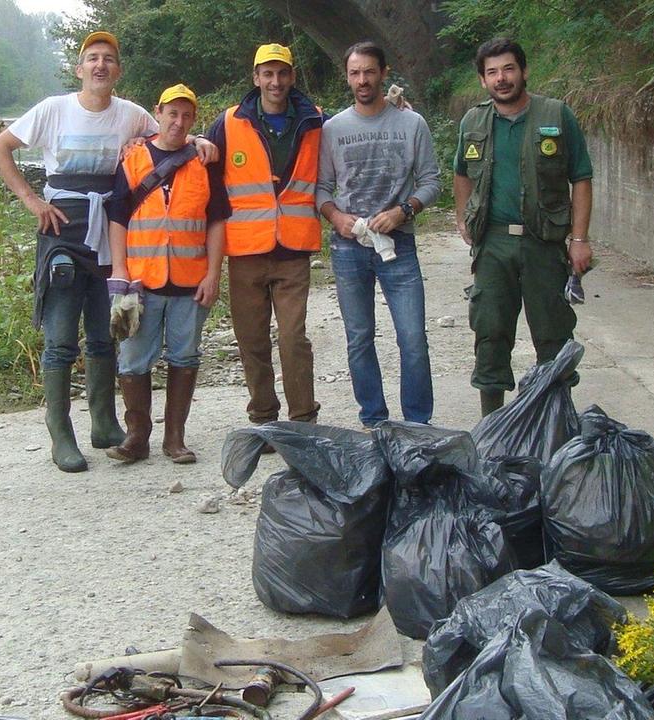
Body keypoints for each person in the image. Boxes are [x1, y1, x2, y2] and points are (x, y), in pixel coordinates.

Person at [0, 30, 213, 473]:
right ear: (80, 68)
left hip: (108, 232)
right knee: (60, 339)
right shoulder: (54, 109)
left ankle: (106, 424)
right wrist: (32, 201)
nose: (100, 65)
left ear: (118, 70)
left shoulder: (130, 114)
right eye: (92, 58)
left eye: (108, 59)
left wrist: (202, 141)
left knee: (105, 334)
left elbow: (171, 135)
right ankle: (62, 437)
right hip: (63, 229)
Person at [453, 37, 594, 418]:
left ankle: (556, 424)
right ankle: (493, 429)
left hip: (543, 244)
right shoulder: (474, 121)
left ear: (524, 71)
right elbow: (462, 173)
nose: (502, 79)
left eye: (509, 69)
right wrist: (463, 216)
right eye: (493, 72)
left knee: (553, 337)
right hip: (493, 246)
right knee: (490, 337)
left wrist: (579, 240)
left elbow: (581, 177)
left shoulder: (556, 115)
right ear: (483, 80)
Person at [317, 40, 440, 428]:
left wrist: (405, 210)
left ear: (384, 74)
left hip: (398, 245)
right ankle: (374, 420)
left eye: (370, 71)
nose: (362, 80)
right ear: (347, 77)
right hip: (349, 246)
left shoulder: (411, 124)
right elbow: (320, 189)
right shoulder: (332, 129)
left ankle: (417, 424)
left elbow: (432, 182)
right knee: (359, 339)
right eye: (355, 73)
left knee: (413, 339)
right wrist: (335, 217)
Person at [103, 84, 227, 464]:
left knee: (185, 356)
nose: (178, 121)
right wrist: (120, 270)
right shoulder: (133, 159)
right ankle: (137, 437)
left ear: (193, 119)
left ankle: (175, 439)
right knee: (133, 358)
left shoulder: (203, 161)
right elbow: (118, 218)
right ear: (157, 113)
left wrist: (213, 275)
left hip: (191, 281)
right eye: (172, 113)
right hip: (142, 281)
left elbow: (217, 221)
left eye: (186, 115)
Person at [205, 43, 323, 429]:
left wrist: (394, 112)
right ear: (255, 78)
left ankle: (302, 420)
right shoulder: (227, 123)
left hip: (293, 250)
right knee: (252, 342)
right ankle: (264, 417)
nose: (275, 81)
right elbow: (199, 167)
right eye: (267, 74)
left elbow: (358, 129)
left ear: (292, 77)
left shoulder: (316, 121)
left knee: (293, 339)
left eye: (282, 73)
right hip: (245, 251)